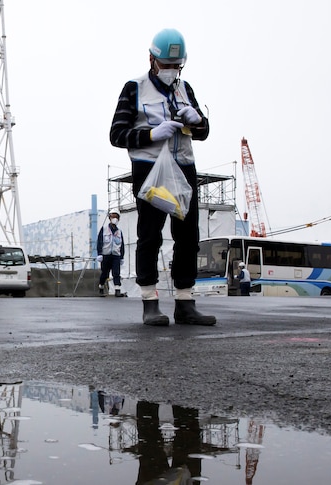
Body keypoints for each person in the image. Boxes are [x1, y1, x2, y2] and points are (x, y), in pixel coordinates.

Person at [109, 28, 215, 326]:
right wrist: (152, 134)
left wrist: (199, 121)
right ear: (152, 60)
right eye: (165, 65)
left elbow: (203, 133)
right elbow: (117, 134)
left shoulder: (185, 89)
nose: (170, 71)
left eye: (176, 66)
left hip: (183, 168)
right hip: (150, 170)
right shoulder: (135, 88)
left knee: (188, 236)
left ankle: (185, 302)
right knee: (150, 235)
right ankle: (149, 302)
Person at [96, 209, 126, 297]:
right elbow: (100, 242)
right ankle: (101, 287)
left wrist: (122, 257)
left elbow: (122, 245)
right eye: (113, 216)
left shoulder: (119, 232)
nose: (115, 219)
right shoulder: (104, 229)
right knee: (105, 273)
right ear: (109, 218)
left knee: (116, 273)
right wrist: (99, 253)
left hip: (116, 255)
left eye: (116, 217)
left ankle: (117, 289)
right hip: (106, 254)